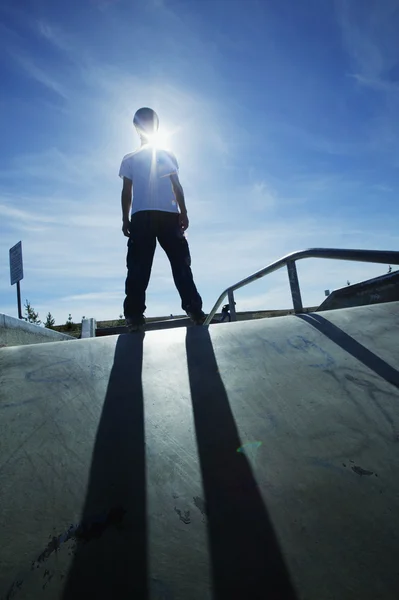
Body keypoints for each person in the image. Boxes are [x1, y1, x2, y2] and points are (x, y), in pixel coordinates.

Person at [119, 107, 205, 331]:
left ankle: (134, 316)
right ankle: (194, 308)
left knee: (139, 266)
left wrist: (125, 218)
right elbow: (176, 186)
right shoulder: (165, 154)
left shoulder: (131, 159)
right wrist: (183, 211)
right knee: (179, 263)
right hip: (168, 215)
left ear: (137, 128)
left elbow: (127, 192)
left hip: (142, 216)